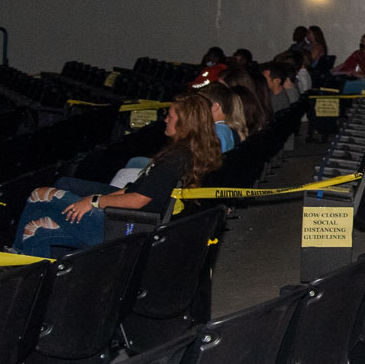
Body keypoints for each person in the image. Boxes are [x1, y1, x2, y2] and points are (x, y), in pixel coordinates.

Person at [16, 93, 222, 257]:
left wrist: (94, 202)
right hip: (128, 224)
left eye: (170, 116)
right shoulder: (185, 153)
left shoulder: (175, 159)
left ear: (184, 123)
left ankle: (15, 253)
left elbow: (138, 200)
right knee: (36, 231)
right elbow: (134, 189)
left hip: (123, 227)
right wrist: (95, 200)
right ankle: (32, 274)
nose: (166, 119)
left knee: (38, 195)